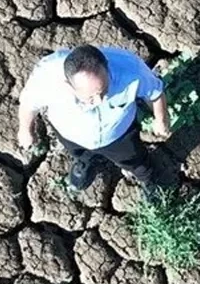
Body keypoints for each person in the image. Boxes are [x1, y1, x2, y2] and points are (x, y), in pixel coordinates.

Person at [17, 44, 172, 196]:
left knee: (134, 160)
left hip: (120, 134)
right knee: (78, 152)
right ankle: (85, 161)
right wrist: (25, 130)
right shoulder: (47, 77)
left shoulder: (130, 69)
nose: (100, 101)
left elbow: (154, 92)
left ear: (107, 67)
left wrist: (161, 119)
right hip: (71, 135)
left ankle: (148, 179)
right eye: (90, 97)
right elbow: (28, 105)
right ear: (69, 85)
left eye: (104, 90)